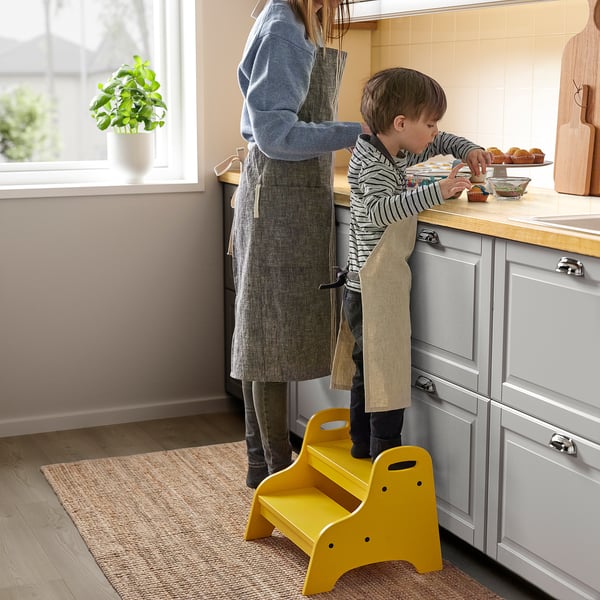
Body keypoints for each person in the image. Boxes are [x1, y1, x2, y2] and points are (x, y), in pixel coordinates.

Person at [231, 0, 368, 488]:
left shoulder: (282, 20)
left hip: (279, 195)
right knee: (267, 340)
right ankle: (277, 472)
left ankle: (260, 467)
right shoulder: (285, 31)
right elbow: (275, 134)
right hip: (278, 200)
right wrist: (360, 132)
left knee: (260, 336)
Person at [340, 67, 491, 461]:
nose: (435, 131)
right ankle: (385, 454)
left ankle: (362, 445)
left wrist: (468, 148)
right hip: (372, 286)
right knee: (384, 369)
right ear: (401, 123)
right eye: (430, 122)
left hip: (373, 281)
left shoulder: (395, 147)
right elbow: (378, 212)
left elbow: (441, 142)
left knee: (368, 369)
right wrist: (437, 191)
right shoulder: (372, 163)